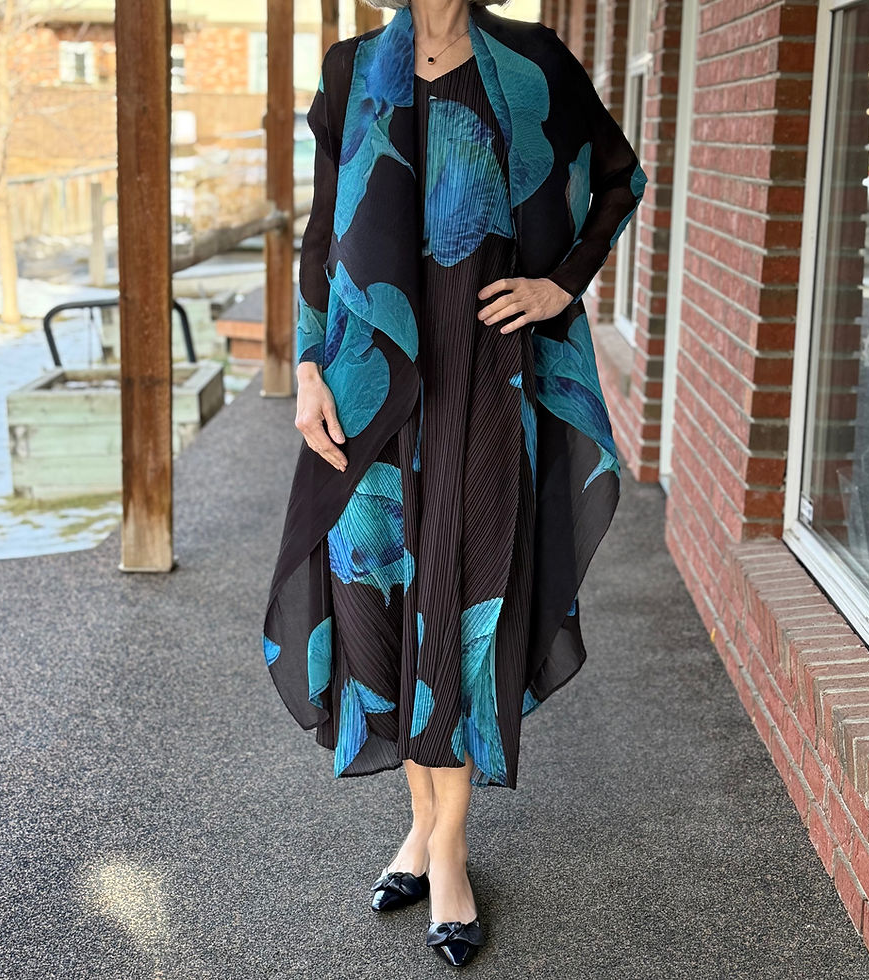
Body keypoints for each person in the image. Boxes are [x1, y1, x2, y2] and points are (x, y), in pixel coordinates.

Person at [262, 0, 645, 967]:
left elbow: (619, 176)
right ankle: (422, 828)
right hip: (370, 387)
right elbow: (321, 236)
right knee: (378, 606)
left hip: (484, 383)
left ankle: (450, 854)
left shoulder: (530, 58)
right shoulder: (351, 70)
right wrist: (307, 368)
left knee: (461, 603)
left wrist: (562, 282)